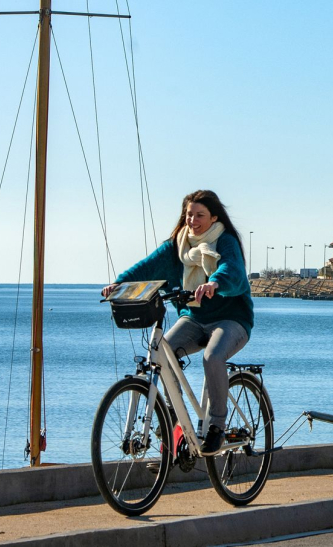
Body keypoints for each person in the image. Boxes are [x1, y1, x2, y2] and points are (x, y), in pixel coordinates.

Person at [102, 190, 253, 455]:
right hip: (194, 318)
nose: (193, 220)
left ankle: (216, 425)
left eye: (199, 215)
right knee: (162, 351)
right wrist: (119, 282)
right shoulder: (177, 246)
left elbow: (233, 270)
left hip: (232, 320)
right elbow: (146, 267)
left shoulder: (224, 241)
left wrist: (215, 283)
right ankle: (174, 414)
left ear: (214, 217)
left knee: (213, 357)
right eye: (189, 215)